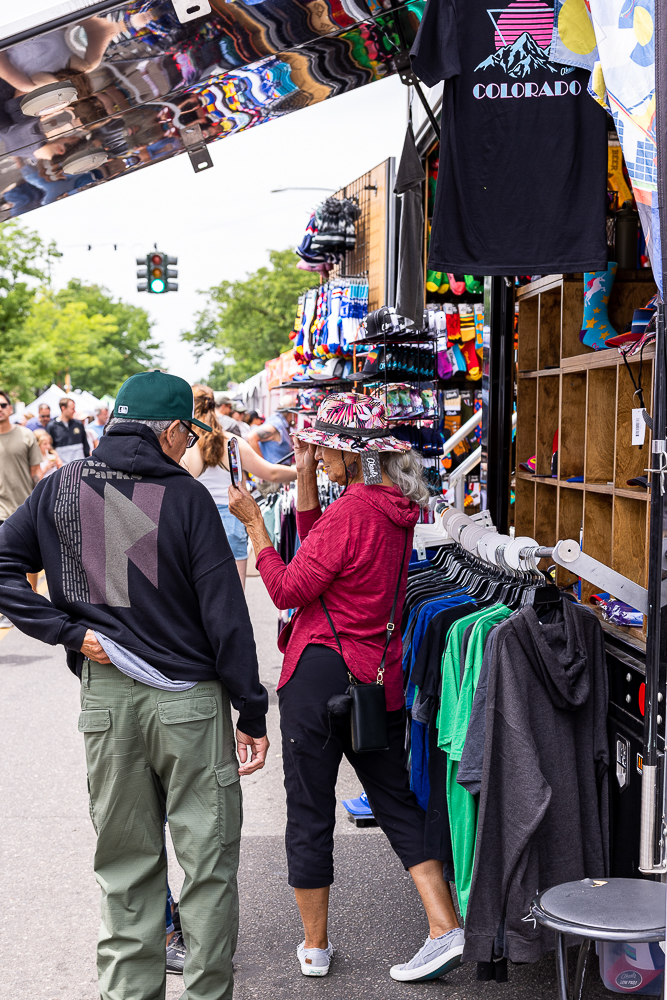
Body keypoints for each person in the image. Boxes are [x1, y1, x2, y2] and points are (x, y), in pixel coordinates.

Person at [0, 371, 269, 1000]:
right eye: (186, 437)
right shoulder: (187, 499)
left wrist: (68, 632)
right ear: (172, 431)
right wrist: (252, 711)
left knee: (126, 869)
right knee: (207, 868)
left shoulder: (61, 488)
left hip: (107, 698)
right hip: (191, 705)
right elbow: (226, 621)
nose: (185, 448)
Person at [229, 391, 464, 983]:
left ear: (358, 456)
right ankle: (445, 926)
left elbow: (287, 587)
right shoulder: (391, 510)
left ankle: (314, 947)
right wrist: (304, 477)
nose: (318, 455)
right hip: (374, 679)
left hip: (318, 675)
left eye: (326, 449)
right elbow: (320, 553)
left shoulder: (355, 509)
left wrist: (255, 526)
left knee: (309, 807)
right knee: (395, 801)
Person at [182, 385, 297, 589]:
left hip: (196, 520)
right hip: (233, 516)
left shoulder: (184, 444)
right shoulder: (231, 441)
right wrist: (305, 471)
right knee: (234, 597)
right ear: (215, 406)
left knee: (197, 597)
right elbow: (270, 472)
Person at [0, 389, 43, 614]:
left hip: (22, 508)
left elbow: (36, 472)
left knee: (28, 557)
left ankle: (30, 599)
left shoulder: (26, 435)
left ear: (10, 408)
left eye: (3, 405)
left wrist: (39, 504)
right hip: (0, 508)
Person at [247, 394, 295, 463]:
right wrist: (263, 467)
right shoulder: (277, 424)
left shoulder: (282, 424)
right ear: (291, 413)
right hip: (272, 471)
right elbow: (251, 437)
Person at [47, 396, 90, 463]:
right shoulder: (52, 426)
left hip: (79, 466)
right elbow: (50, 447)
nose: (74, 411)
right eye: (72, 409)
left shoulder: (78, 424)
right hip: (62, 468)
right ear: (63, 408)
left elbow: (85, 445)